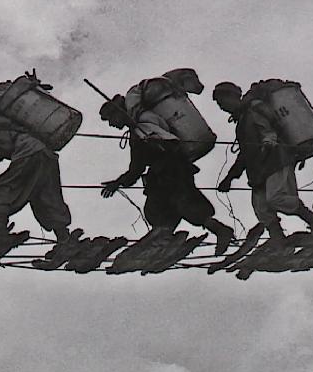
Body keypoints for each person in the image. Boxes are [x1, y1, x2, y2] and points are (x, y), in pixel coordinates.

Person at [98, 95, 234, 256]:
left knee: (186, 205)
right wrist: (119, 182)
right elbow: (137, 167)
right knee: (158, 210)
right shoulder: (138, 129)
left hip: (173, 172)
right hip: (163, 176)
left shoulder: (144, 123)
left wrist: (119, 182)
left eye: (111, 119)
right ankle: (163, 242)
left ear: (120, 113)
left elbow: (164, 145)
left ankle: (220, 230)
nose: (112, 124)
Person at [212, 81, 313, 239]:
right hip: (259, 169)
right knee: (261, 208)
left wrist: (268, 144)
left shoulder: (254, 109)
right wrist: (230, 177)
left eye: (222, 102)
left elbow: (268, 130)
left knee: (275, 198)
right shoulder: (242, 122)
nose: (221, 107)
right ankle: (277, 239)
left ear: (233, 97)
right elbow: (245, 154)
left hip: (276, 160)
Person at [0, 102, 72, 242]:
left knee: (4, 186)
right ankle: (63, 236)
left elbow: (3, 148)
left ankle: (0, 225)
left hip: (27, 154)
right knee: (46, 195)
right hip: (46, 155)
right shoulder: (9, 120)